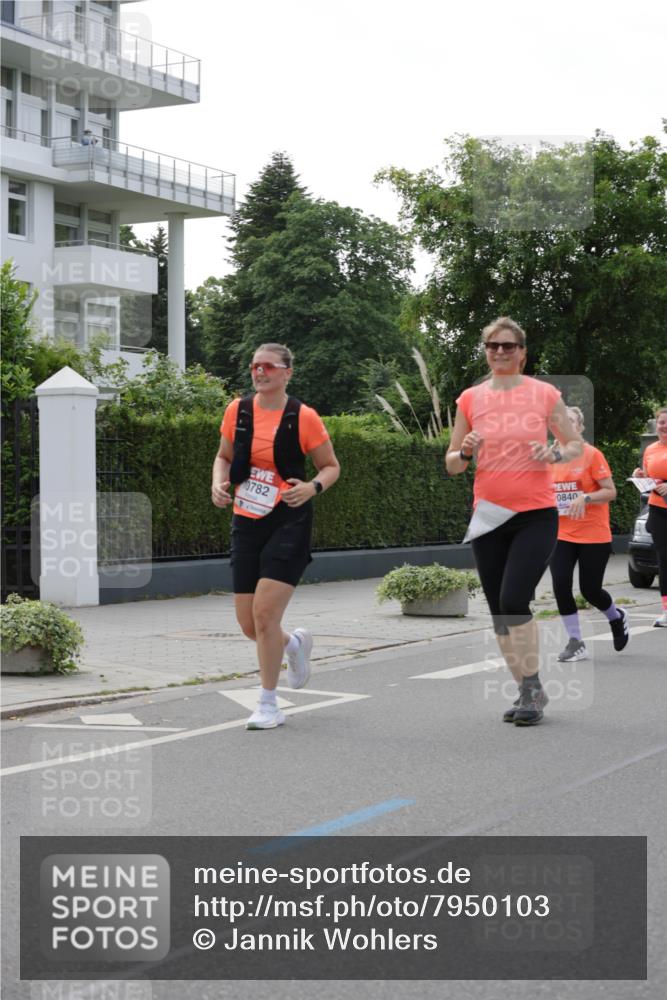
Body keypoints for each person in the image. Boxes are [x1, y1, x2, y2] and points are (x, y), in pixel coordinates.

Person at [446, 317, 583, 726]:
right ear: (486, 351)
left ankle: (532, 687)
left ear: (522, 352)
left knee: (513, 599)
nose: (500, 352)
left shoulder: (543, 393)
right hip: (489, 517)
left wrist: (554, 454)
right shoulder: (470, 399)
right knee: (498, 611)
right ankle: (527, 689)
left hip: (535, 515)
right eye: (493, 345)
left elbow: (574, 444)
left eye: (508, 345)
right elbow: (452, 464)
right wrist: (465, 451)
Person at [211, 344, 340, 729]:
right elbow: (224, 457)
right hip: (246, 520)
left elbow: (330, 466)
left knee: (265, 614)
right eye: (255, 366)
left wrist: (313, 487)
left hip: (288, 519)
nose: (259, 372)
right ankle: (293, 644)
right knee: (250, 625)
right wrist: (218, 483)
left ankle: (268, 704)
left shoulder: (304, 417)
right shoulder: (237, 411)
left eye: (268, 366)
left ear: (287, 372)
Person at [549, 406, 628, 661]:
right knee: (561, 584)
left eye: (571, 422)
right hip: (561, 533)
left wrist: (586, 497)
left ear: (580, 427)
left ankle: (616, 617)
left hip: (593, 533)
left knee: (590, 590)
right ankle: (575, 642)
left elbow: (610, 491)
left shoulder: (592, 455)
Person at [633, 405, 667, 628]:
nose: (664, 426)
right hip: (658, 510)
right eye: (662, 422)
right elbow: (649, 477)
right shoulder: (651, 449)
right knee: (664, 561)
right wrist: (640, 476)